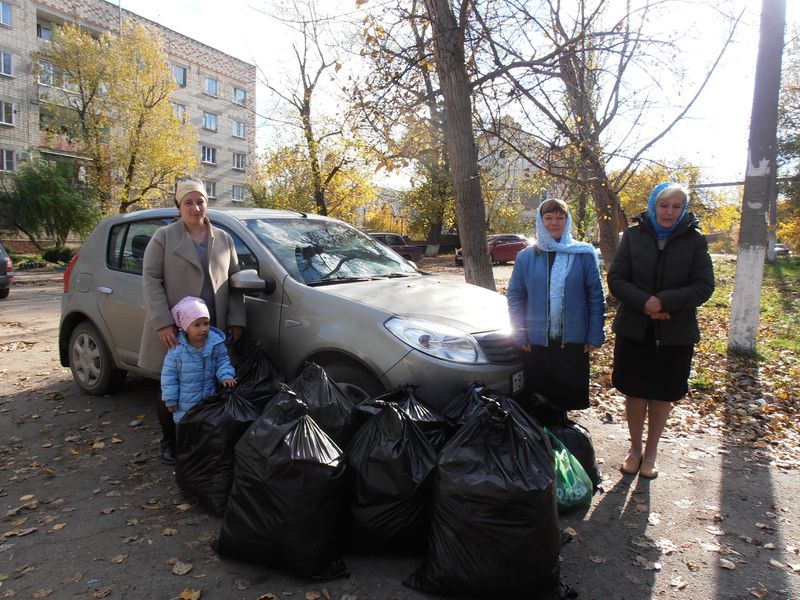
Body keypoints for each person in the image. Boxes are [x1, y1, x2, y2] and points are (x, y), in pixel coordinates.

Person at [607, 182, 714, 479]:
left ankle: (651, 452)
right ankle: (635, 449)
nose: (669, 211)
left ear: (684, 209)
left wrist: (664, 301)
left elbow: (704, 286)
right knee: (635, 391)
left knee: (662, 393)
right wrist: (646, 303)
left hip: (675, 332)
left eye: (676, 206)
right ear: (654, 206)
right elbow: (616, 278)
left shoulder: (695, 240)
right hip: (634, 328)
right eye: (664, 205)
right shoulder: (632, 236)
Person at [139, 178, 246, 464]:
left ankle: (202, 440)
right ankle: (170, 441)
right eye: (189, 202)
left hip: (212, 325)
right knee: (171, 385)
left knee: (209, 384)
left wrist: (236, 319)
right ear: (179, 205)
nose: (195, 208)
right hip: (175, 328)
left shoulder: (223, 238)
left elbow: (235, 282)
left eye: (200, 201)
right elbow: (150, 280)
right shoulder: (163, 237)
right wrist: (162, 322)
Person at [507, 198, 605, 418]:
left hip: (572, 343)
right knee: (536, 403)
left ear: (567, 221)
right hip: (535, 343)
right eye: (548, 217)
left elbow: (595, 297)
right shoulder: (526, 257)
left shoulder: (583, 254)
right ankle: (539, 439)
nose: (554, 223)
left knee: (563, 404)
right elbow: (515, 296)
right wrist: (520, 333)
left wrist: (595, 334)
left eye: (560, 218)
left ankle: (561, 437)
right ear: (540, 221)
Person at [161, 296, 236, 423]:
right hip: (185, 404)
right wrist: (170, 399)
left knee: (207, 427)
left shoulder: (215, 344)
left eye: (206, 323)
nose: (204, 328)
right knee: (187, 428)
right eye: (197, 325)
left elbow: (223, 361)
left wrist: (226, 375)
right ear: (185, 327)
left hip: (209, 400)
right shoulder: (177, 349)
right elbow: (169, 377)